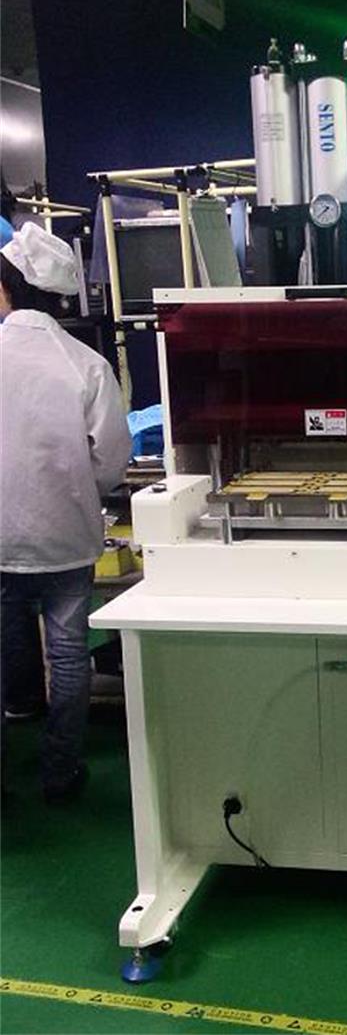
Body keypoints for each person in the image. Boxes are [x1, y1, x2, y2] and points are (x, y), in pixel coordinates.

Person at [0, 221, 131, 803]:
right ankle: (60, 772)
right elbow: (112, 460)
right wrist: (79, 489)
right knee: (70, 655)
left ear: (7, 289)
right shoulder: (86, 365)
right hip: (66, 538)